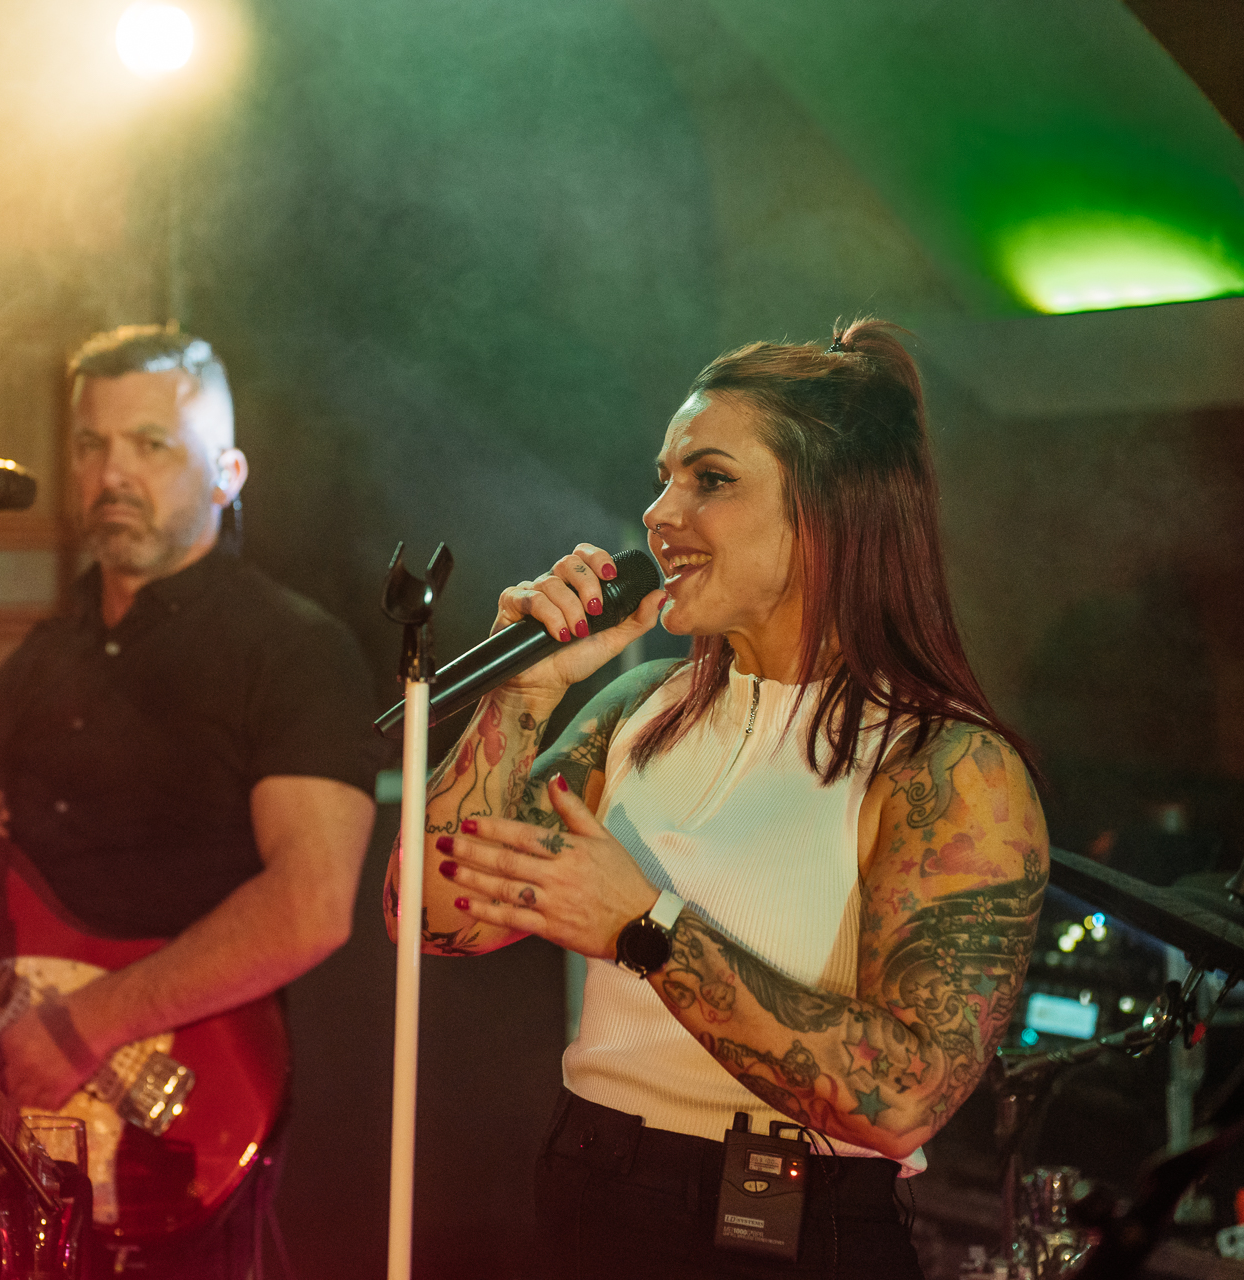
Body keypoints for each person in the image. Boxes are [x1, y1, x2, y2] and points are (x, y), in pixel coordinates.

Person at [387, 320, 1047, 1278]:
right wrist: (520, 698)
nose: (660, 512)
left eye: (710, 478)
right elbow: (430, 918)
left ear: (831, 511)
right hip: (589, 1183)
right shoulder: (636, 711)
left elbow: (906, 1094)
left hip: (785, 1229)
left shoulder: (945, 764)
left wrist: (646, 928)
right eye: (664, 478)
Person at [0, 325, 381, 1277]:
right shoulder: (39, 662)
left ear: (227, 474)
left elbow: (311, 905)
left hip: (183, 1111)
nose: (112, 473)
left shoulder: (293, 651)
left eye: (152, 446)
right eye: (92, 445)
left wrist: (95, 1025)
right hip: (17, 1123)